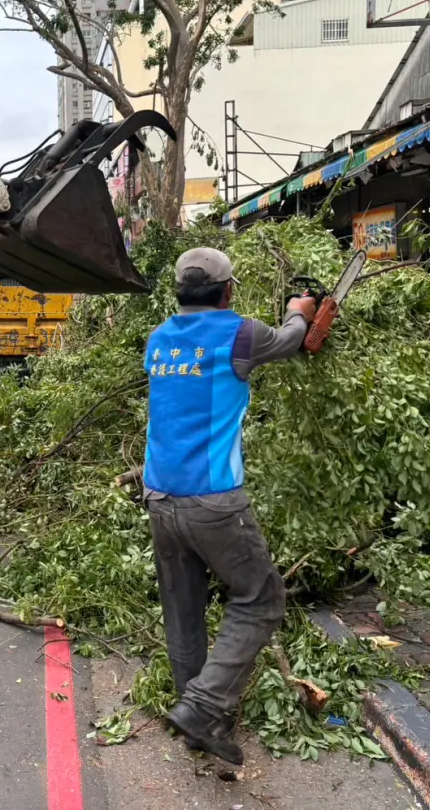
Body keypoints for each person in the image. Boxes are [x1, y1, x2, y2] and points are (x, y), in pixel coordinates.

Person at [144, 247, 316, 766]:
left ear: (179, 291)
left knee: (183, 609)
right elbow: (290, 342)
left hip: (158, 498)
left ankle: (200, 718)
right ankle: (202, 706)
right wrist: (299, 310)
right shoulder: (240, 332)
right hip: (214, 501)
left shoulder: (158, 339)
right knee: (261, 597)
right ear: (228, 291)